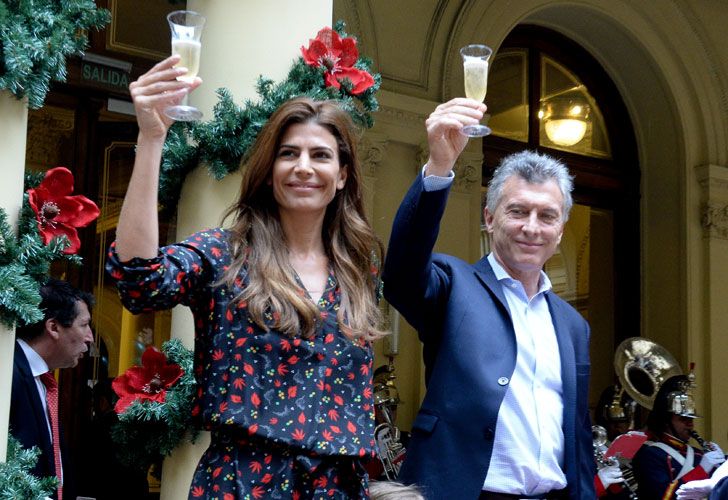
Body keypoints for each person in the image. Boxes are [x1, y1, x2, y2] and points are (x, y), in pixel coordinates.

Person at [106, 54, 386, 498]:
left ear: (342, 175)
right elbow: (141, 281)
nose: (304, 167)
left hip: (336, 485)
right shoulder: (226, 253)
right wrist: (152, 139)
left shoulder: (356, 270)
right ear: (269, 171)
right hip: (245, 481)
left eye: (321, 156)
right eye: (288, 153)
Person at [382, 98, 594, 499]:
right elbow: (401, 273)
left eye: (547, 216)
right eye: (518, 212)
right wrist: (440, 167)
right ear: (490, 217)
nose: (532, 228)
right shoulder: (452, 285)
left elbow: (577, 434)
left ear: (561, 231)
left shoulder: (573, 325)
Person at [10, 278, 95, 500]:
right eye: (84, 325)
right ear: (54, 327)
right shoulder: (8, 373)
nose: (90, 338)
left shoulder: (42, 378)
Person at [632, 374, 726, 499]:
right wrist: (702, 469)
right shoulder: (649, 455)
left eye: (691, 419)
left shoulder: (698, 454)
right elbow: (665, 496)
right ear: (666, 421)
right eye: (683, 419)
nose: (690, 424)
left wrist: (724, 464)